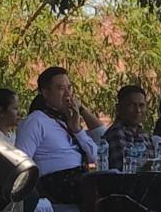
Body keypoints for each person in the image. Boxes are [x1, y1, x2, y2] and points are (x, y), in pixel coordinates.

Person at [15, 67, 103, 209]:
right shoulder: (36, 121)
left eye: (69, 88)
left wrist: (77, 130)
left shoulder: (66, 121)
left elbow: (94, 156)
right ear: (46, 93)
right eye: (61, 89)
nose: (68, 95)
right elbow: (20, 164)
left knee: (114, 182)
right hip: (56, 185)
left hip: (81, 180)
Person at [102, 85, 153, 171]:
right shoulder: (116, 133)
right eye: (132, 105)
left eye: (141, 105)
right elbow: (123, 168)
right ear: (119, 108)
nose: (138, 110)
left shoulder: (145, 135)